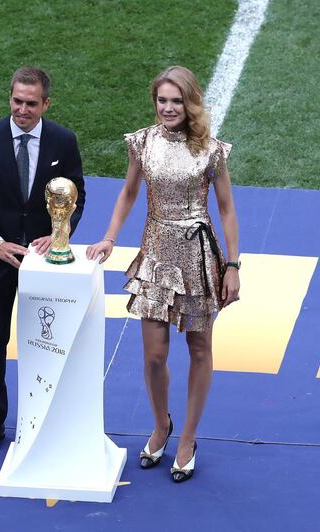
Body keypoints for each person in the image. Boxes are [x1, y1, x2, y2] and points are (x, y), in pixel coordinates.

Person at [87, 66, 240, 482]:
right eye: (162, 100)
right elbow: (129, 193)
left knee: (199, 351)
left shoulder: (211, 150)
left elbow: (226, 209)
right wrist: (109, 238)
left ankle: (188, 436)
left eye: (176, 101)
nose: (168, 108)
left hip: (198, 256)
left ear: (190, 103)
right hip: (155, 254)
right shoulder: (142, 143)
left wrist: (233, 264)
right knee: (154, 355)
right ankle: (161, 424)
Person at [0, 67, 85, 456]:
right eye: (17, 101)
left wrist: (60, 232)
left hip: (45, 264)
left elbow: (76, 193)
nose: (23, 110)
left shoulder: (63, 142)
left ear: (46, 103)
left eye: (32, 103)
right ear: (10, 98)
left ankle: (47, 424)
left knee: (48, 344)